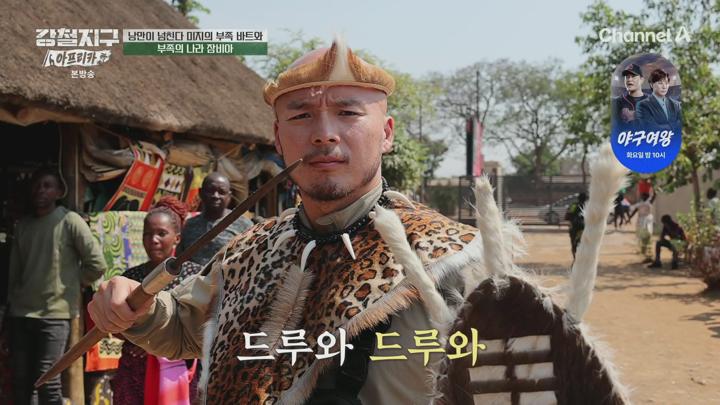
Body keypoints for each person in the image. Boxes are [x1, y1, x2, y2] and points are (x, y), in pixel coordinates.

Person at [87, 39, 626, 404]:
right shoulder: (247, 253)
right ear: (278, 139)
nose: (323, 133)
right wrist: (134, 306)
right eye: (301, 115)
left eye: (347, 113)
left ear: (386, 133)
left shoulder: (455, 260)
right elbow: (186, 330)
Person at [7, 168, 106, 405]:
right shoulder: (23, 226)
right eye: (37, 185)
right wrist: (9, 309)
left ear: (59, 192)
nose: (40, 190)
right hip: (21, 314)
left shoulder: (69, 220)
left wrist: (72, 283)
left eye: (47, 185)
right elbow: (14, 274)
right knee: (21, 382)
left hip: (54, 315)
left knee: (48, 382)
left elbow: (97, 264)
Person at [111, 196, 202, 405]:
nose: (153, 240)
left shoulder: (193, 276)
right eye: (147, 234)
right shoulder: (131, 278)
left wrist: (154, 344)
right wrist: (137, 339)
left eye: (161, 233)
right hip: (135, 368)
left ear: (177, 238)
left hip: (177, 369)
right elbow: (116, 324)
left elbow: (200, 323)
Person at [176, 172, 253, 266]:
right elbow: (179, 259)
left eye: (221, 192)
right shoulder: (189, 225)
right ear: (201, 193)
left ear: (229, 196)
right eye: (210, 191)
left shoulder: (244, 225)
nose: (216, 195)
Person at [611, 63, 647, 128]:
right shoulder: (617, 102)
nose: (629, 79)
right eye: (627, 77)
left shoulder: (652, 101)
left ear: (641, 80)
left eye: (633, 76)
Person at [629, 192, 657, 261]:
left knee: (648, 233)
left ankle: (648, 251)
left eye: (644, 196)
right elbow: (635, 211)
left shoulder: (648, 202)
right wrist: (629, 218)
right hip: (641, 220)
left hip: (647, 220)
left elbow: (654, 197)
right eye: (642, 196)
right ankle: (643, 250)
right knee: (641, 235)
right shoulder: (640, 204)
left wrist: (654, 190)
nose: (643, 197)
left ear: (647, 197)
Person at [565, 192, 587, 258]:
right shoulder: (588, 206)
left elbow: (567, 216)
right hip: (584, 227)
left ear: (578, 198)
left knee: (573, 242)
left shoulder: (574, 205)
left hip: (574, 226)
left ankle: (575, 258)